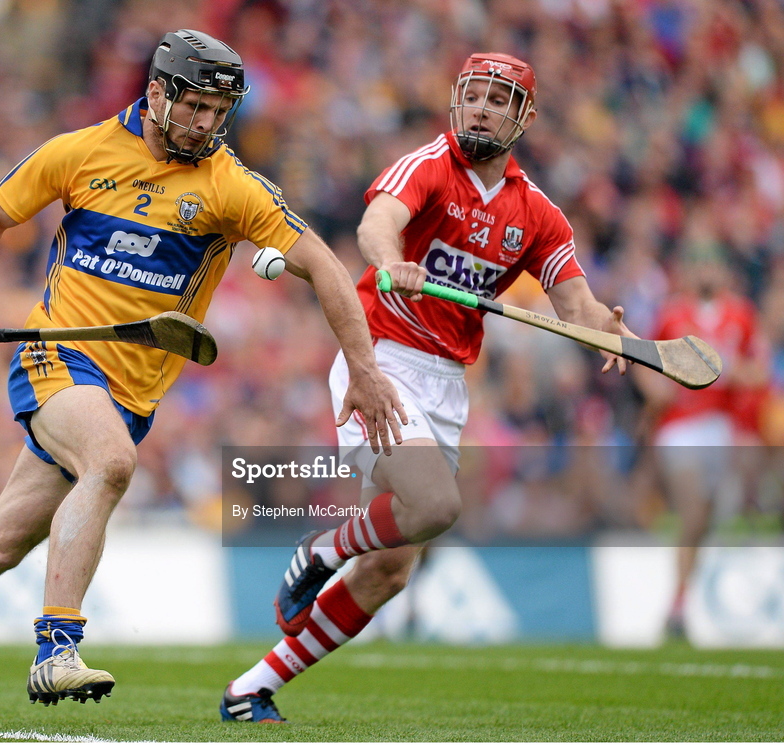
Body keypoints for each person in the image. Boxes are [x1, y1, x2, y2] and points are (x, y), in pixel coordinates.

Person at [0, 29, 407, 706]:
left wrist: (363, 368)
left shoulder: (231, 187)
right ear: (156, 91)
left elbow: (326, 268)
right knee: (110, 464)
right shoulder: (80, 152)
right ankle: (58, 646)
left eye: (219, 114)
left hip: (131, 393)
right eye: (194, 107)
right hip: (56, 355)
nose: (206, 125)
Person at [221, 52, 635, 723]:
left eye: (498, 101)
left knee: (389, 569)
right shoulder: (428, 166)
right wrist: (393, 263)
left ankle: (251, 688)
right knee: (437, 504)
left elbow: (577, 306)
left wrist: (613, 332)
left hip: (447, 384)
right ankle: (319, 550)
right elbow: (375, 225)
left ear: (523, 117)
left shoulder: (537, 213)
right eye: (473, 95)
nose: (481, 108)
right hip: (381, 360)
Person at [636, 241, 770, 640]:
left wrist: (732, 371)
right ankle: (677, 606)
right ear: (690, 273)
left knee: (704, 520)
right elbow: (642, 359)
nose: (706, 272)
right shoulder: (671, 315)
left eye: (713, 264)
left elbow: (758, 370)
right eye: (700, 265)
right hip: (679, 425)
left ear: (724, 272)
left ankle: (678, 606)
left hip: (721, 426)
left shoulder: (741, 315)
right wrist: (652, 389)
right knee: (693, 509)